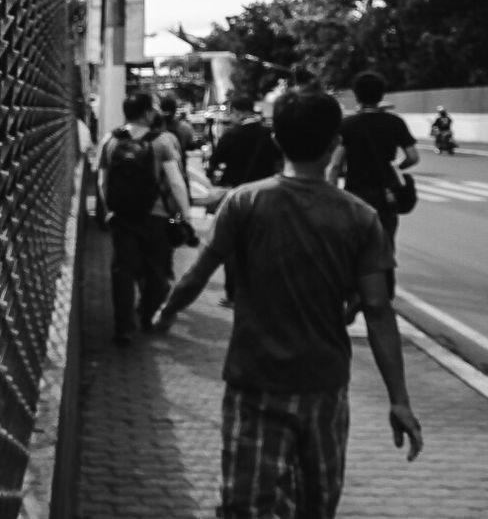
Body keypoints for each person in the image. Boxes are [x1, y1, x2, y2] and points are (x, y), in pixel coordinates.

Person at [153, 89, 423, 517]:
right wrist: (399, 400)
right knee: (317, 503)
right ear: (336, 143)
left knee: (245, 504)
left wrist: (165, 313)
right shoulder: (359, 217)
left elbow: (196, 275)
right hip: (324, 385)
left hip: (254, 381)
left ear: (277, 140)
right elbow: (377, 310)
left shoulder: (245, 201)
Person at [97, 93, 193, 345]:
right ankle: (149, 317)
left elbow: (102, 180)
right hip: (156, 217)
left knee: (122, 272)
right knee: (156, 270)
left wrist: (109, 209)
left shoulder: (110, 140)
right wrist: (184, 215)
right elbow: (175, 182)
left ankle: (123, 328)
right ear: (147, 113)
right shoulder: (161, 141)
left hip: (122, 217)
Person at [326, 71, 418, 297]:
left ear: (356, 96)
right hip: (387, 195)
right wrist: (395, 167)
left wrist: (329, 193)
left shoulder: (347, 125)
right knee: (386, 243)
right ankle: (385, 293)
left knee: (354, 245)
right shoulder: (395, 123)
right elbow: (413, 156)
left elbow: (336, 164)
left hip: (356, 195)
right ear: (382, 94)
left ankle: (356, 292)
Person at [206, 96, 283, 307]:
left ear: (238, 112)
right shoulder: (270, 134)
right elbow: (280, 162)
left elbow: (214, 164)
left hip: (237, 197)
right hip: (267, 196)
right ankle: (259, 291)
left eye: (231, 113)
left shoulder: (231, 135)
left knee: (234, 247)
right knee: (262, 245)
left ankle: (234, 294)